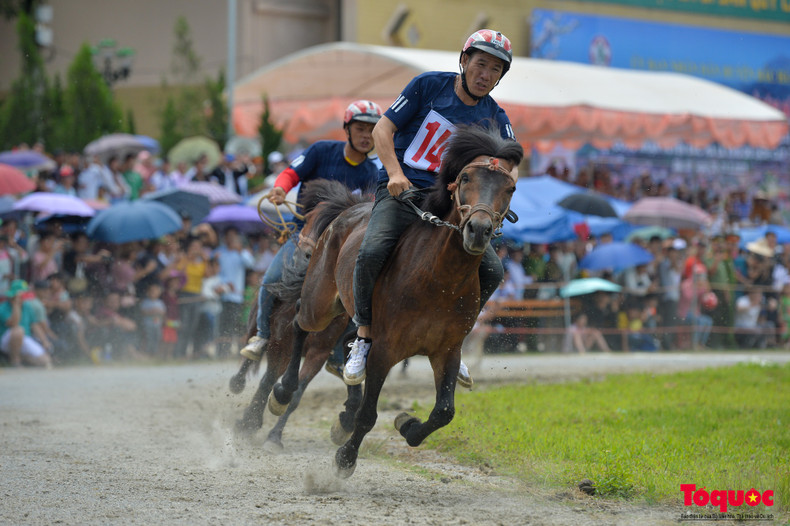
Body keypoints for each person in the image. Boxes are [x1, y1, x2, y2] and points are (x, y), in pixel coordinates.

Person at [345, 29, 517, 387]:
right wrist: (393, 173)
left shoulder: (497, 118)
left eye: (495, 70)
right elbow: (382, 132)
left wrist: (485, 194)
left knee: (493, 271)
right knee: (372, 249)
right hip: (401, 189)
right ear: (464, 60)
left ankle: (454, 342)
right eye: (480, 64)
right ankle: (363, 336)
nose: (485, 75)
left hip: (449, 202)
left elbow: (511, 165)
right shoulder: (426, 86)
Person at [238, 100, 383, 362]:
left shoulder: (373, 173)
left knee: (360, 295)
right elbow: (291, 173)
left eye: (372, 130)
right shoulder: (321, 150)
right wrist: (281, 188)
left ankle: (340, 357)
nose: (366, 136)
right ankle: (261, 334)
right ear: (347, 129)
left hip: (340, 247)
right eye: (360, 129)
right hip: (305, 236)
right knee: (272, 279)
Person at [213, 227, 254, 357]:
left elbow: (250, 264)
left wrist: (240, 250)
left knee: (236, 325)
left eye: (233, 236)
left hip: (236, 296)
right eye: (228, 236)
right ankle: (221, 352)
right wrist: (224, 284)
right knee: (222, 325)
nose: (230, 239)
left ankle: (235, 352)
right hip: (222, 295)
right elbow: (217, 272)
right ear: (224, 238)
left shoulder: (242, 253)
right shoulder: (220, 253)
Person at [0, 279, 52, 368]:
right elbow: (14, 323)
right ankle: (15, 361)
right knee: (18, 330)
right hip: (7, 339)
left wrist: (44, 341)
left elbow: (34, 325)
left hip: (24, 338)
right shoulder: (3, 307)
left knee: (45, 360)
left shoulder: (27, 306)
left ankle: (21, 358)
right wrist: (16, 304)